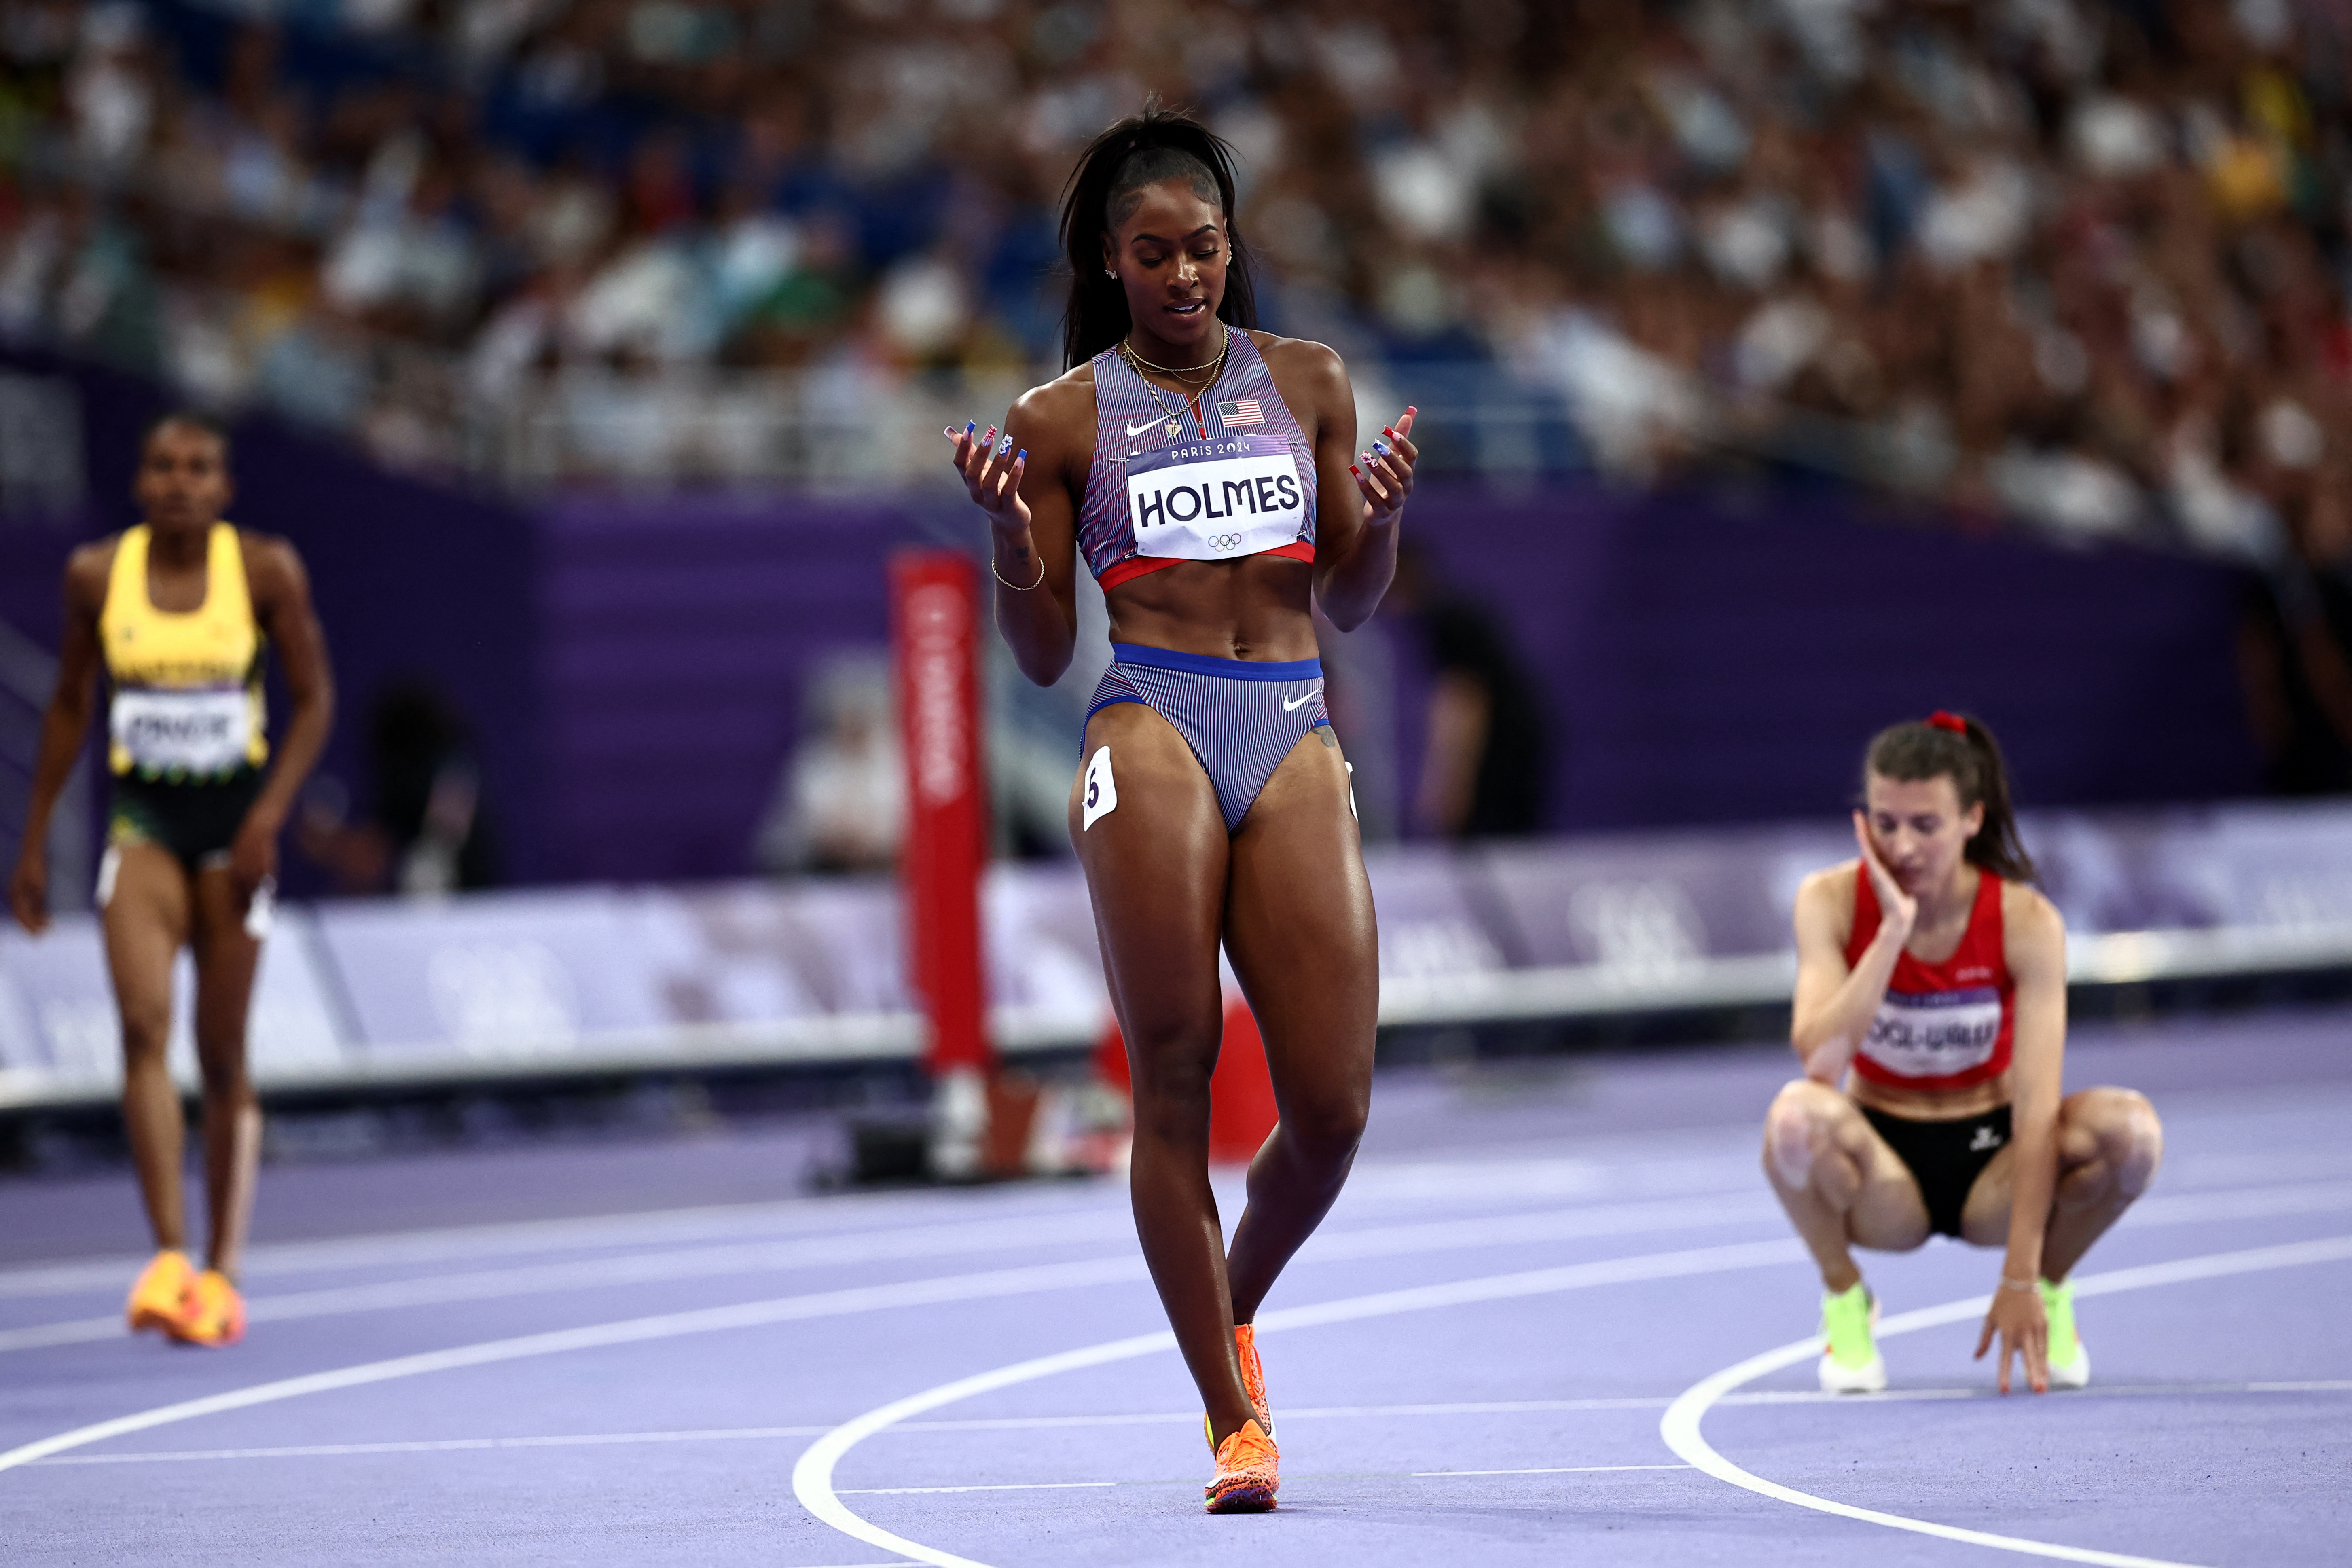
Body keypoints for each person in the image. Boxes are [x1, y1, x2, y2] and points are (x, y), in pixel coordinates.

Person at [946, 106, 1414, 1512]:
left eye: (1202, 249)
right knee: (1176, 1067)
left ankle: (1233, 1306)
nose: (1183, 277)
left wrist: (1379, 517)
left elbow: (1343, 595)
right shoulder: (1059, 417)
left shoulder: (1308, 379)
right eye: (1151, 256)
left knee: (1330, 1107)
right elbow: (1038, 653)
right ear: (1110, 260)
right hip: (1147, 716)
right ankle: (1230, 1417)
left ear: (1231, 246)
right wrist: (1005, 538)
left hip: (1290, 718)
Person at [6, 412, 334, 1348]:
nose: (181, 481)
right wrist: (33, 842)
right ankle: (167, 1256)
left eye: (199, 468)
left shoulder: (266, 570)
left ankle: (224, 1275)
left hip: (236, 833)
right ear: (141, 482)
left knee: (221, 1050)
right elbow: (71, 703)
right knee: (143, 1026)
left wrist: (270, 815)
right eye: (163, 466)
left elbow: (314, 701)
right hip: (143, 823)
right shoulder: (96, 576)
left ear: (225, 488)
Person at [1765, 712, 2163, 1395]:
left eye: (1926, 826)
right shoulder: (1828, 901)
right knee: (1794, 1119)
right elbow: (1823, 1064)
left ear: (1971, 820)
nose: (1903, 846)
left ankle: (2053, 1289)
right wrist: (1892, 932)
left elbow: (2038, 1112)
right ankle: (1845, 1297)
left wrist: (2021, 1275)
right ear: (1864, 820)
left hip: (1993, 1160)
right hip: (1884, 1168)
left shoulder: (2025, 921)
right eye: (1885, 824)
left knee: (2130, 1133)